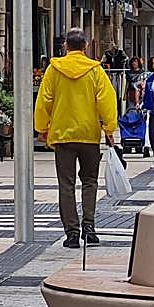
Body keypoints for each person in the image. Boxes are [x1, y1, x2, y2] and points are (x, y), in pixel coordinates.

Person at [34, 29, 119, 249]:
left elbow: (44, 100)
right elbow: (107, 100)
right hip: (89, 135)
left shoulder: (54, 70)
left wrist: (42, 128)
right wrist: (109, 128)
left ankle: (71, 233)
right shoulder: (95, 71)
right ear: (86, 47)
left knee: (66, 184)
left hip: (63, 135)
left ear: (65, 47)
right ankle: (89, 227)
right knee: (90, 182)